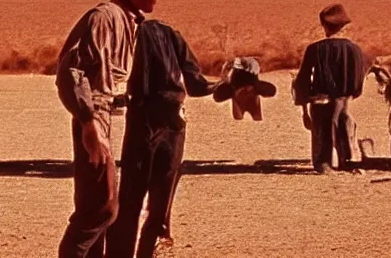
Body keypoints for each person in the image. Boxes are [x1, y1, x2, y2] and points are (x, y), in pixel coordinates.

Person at [106, 23, 274, 258]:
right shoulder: (170, 35)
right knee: (158, 202)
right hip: (172, 122)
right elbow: (196, 85)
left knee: (131, 201)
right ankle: (150, 248)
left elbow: (118, 84)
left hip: (145, 121)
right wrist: (226, 82)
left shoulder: (131, 33)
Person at [56, 0, 177, 258]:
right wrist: (89, 122)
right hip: (97, 114)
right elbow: (73, 72)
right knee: (102, 207)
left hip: (116, 114)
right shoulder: (104, 17)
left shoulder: (134, 23)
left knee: (98, 204)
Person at [292, 3, 365, 173]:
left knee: (321, 129)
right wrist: (350, 94)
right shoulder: (354, 49)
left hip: (320, 99)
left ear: (324, 25)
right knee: (342, 125)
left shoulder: (314, 49)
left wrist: (303, 105)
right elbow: (358, 79)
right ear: (343, 26)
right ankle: (346, 161)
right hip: (344, 99)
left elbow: (302, 79)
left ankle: (323, 163)